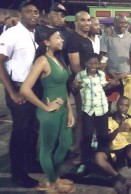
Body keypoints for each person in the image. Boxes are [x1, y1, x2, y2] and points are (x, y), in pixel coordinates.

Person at [20, 25, 76, 193]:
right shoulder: (43, 61)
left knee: (65, 144)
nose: (62, 40)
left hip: (63, 111)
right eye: (57, 38)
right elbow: (24, 89)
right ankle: (52, 182)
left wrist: (70, 110)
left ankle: (54, 177)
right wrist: (45, 106)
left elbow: (63, 87)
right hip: (49, 113)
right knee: (47, 149)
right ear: (46, 42)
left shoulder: (58, 57)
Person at [0, 0, 41, 188]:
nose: (34, 15)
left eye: (37, 12)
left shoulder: (33, 34)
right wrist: (13, 93)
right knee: (20, 132)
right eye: (30, 11)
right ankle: (18, 173)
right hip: (18, 88)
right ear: (20, 14)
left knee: (32, 130)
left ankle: (30, 163)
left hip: (32, 88)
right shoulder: (12, 34)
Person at [74, 53, 120, 175]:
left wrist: (111, 84)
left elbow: (103, 87)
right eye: (91, 63)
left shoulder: (101, 75)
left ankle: (104, 161)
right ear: (86, 64)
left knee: (103, 136)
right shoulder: (81, 75)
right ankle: (85, 162)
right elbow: (75, 88)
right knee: (87, 136)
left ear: (99, 64)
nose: (93, 66)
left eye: (96, 63)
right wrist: (75, 86)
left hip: (102, 109)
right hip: (88, 110)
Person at [67, 11, 94, 156]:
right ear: (76, 22)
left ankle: (82, 146)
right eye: (83, 20)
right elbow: (75, 66)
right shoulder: (73, 39)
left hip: (88, 82)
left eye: (88, 20)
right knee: (82, 117)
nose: (87, 23)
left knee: (87, 116)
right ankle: (76, 148)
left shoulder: (88, 40)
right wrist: (89, 79)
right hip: (80, 84)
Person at [100, 14, 131, 79]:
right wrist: (109, 71)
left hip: (126, 74)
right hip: (111, 74)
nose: (124, 25)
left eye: (125, 23)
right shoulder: (106, 35)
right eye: (121, 23)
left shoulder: (130, 36)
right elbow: (103, 55)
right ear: (115, 23)